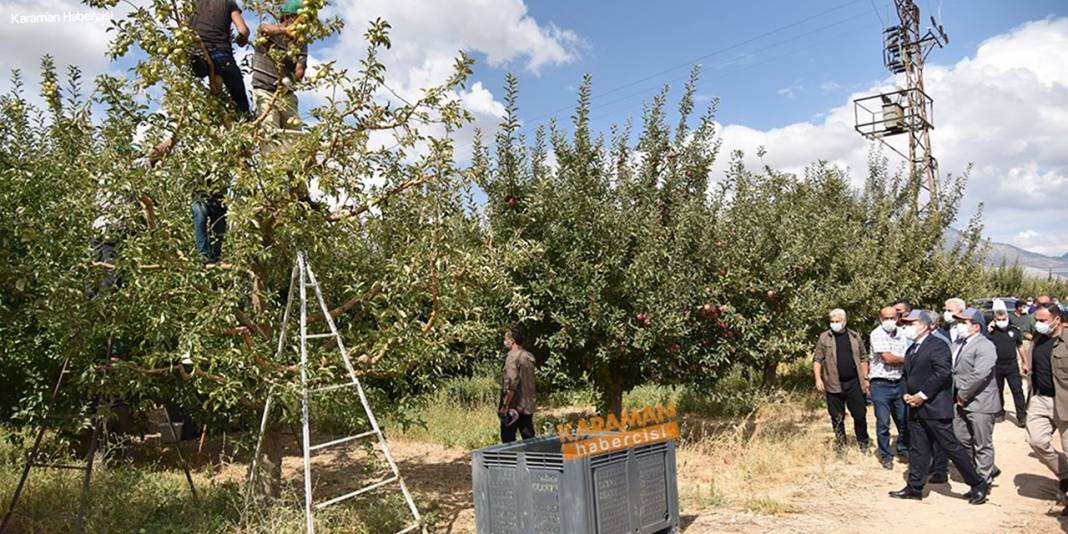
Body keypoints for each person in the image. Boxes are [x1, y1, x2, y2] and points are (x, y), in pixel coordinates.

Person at [890, 310, 989, 504]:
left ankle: (977, 483)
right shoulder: (912, 349)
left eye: (912, 323)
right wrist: (906, 394)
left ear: (925, 326)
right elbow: (906, 376)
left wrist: (922, 395)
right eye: (906, 324)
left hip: (935, 407)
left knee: (950, 446)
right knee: (918, 448)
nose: (907, 327)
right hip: (915, 408)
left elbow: (942, 373)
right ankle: (915, 487)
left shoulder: (938, 346)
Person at [1024, 305, 1068, 515]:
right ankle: (1066, 476)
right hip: (1040, 399)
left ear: (1056, 319)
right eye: (1037, 320)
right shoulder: (1038, 339)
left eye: (1042, 320)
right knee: (1036, 440)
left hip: (1065, 401)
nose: (1038, 324)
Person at [950, 307, 1000, 484]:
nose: (959, 326)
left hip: (980, 402)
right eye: (958, 322)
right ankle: (986, 469)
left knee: (982, 443)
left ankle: (983, 481)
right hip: (960, 401)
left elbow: (980, 374)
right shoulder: (957, 344)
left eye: (963, 323)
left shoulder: (985, 345)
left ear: (976, 326)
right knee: (960, 438)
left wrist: (963, 393)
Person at [813, 309, 870, 452]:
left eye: (837, 321)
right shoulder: (824, 337)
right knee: (836, 417)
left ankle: (863, 443)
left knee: (860, 415)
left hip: (854, 382)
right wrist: (818, 379)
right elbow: (817, 360)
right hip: (833, 384)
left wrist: (865, 377)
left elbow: (864, 357)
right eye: (832, 321)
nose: (834, 324)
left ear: (845, 321)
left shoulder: (854, 336)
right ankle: (841, 445)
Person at [252, 0, 308, 131]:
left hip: (286, 94)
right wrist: (285, 31)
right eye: (301, 21)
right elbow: (263, 28)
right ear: (288, 18)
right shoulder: (270, 32)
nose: (304, 25)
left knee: (295, 135)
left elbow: (300, 70)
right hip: (264, 90)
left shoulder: (300, 42)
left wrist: (292, 80)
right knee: (270, 131)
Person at [190, 0, 252, 114]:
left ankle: (213, 118)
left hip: (197, 54)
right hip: (220, 53)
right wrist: (241, 39)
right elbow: (243, 30)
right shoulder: (228, 3)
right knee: (240, 99)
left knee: (213, 95)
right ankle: (245, 120)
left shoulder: (193, 4)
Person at [869, 306, 909, 469]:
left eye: (892, 318)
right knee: (883, 422)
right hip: (881, 384)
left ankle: (903, 448)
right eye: (886, 318)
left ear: (898, 318)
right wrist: (912, 360)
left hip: (899, 382)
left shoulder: (902, 334)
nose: (889, 321)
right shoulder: (876, 334)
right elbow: (888, 358)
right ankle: (886, 455)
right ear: (880, 319)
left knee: (903, 419)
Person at [989, 301, 1028, 427]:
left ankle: (1022, 416)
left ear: (1007, 318)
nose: (1001, 321)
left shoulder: (1014, 330)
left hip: (1011, 365)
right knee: (997, 390)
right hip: (996, 365)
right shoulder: (991, 332)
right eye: (998, 319)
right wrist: (988, 329)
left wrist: (1025, 362)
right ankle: (999, 412)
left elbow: (1020, 347)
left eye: (1003, 319)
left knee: (1017, 390)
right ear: (995, 319)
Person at [499, 327, 536, 443]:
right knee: (529, 438)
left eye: (506, 339)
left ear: (512, 340)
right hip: (528, 404)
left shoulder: (512, 357)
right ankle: (534, 460)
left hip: (513, 406)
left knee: (508, 440)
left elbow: (511, 384)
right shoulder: (528, 356)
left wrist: (505, 406)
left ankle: (510, 461)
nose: (505, 341)